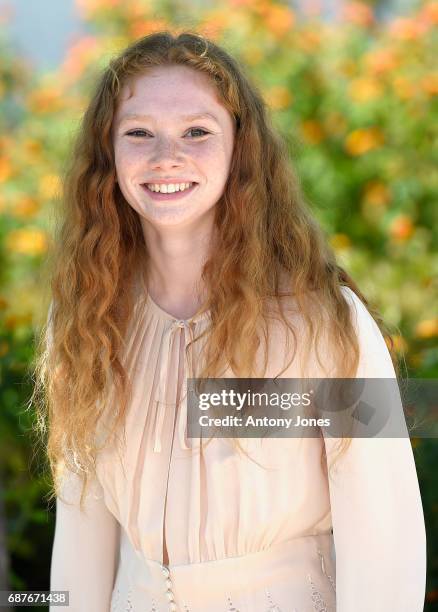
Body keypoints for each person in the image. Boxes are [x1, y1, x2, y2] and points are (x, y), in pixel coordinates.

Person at [33, 31, 426, 611]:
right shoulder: (83, 318)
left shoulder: (326, 324)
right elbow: (81, 530)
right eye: (139, 133)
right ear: (107, 154)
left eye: (198, 131)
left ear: (240, 149)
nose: (167, 156)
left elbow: (385, 539)